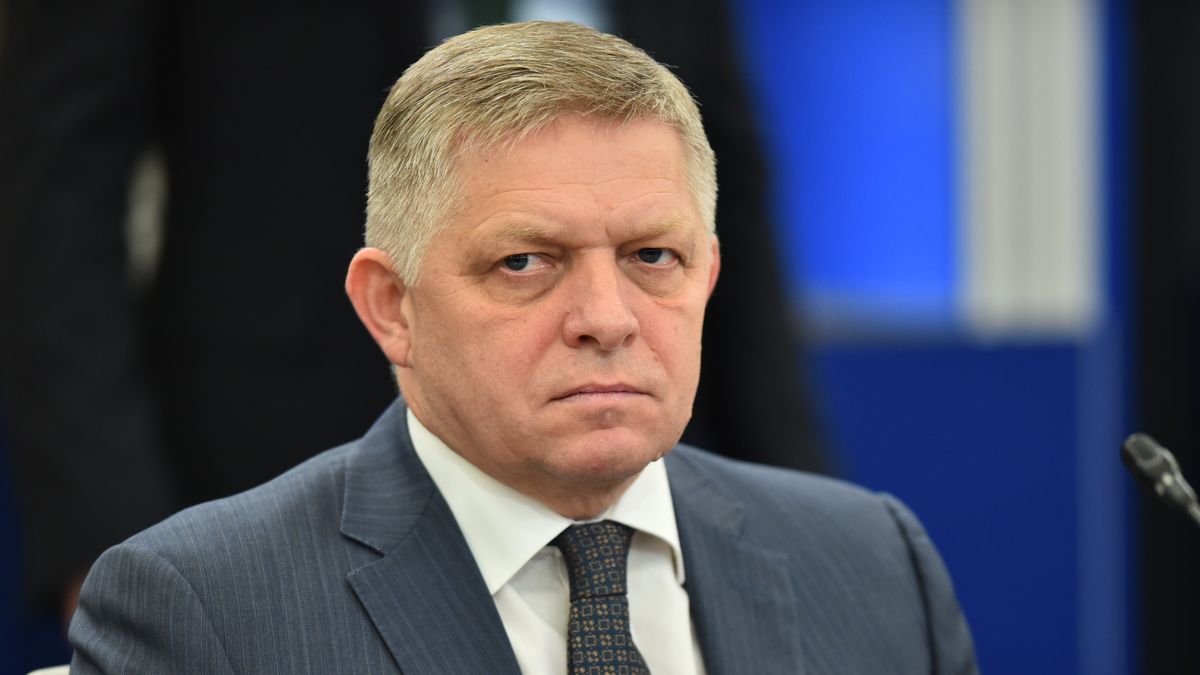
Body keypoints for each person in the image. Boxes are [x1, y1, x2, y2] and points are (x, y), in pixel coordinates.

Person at [67, 22, 977, 674]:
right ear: (391, 307)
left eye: (652, 256)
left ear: (708, 274)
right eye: (526, 262)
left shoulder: (874, 564)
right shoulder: (203, 612)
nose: (606, 316)